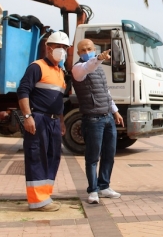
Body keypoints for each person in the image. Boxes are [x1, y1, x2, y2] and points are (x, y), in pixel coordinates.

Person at [17, 31, 70, 212]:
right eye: (59, 47)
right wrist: (27, 116)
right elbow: (23, 91)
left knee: (52, 158)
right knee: (36, 157)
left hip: (54, 122)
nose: (62, 51)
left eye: (65, 48)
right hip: (38, 118)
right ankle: (37, 201)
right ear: (49, 48)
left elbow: (58, 101)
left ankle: (45, 197)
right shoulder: (37, 67)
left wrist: (61, 122)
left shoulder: (61, 72)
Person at [71, 39, 124, 204]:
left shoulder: (99, 69)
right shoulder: (78, 69)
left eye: (89, 48)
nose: (86, 51)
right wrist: (99, 58)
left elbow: (105, 92)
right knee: (93, 157)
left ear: (94, 49)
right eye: (83, 50)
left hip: (107, 117)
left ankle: (104, 186)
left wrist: (115, 111)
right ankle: (93, 190)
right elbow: (88, 67)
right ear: (79, 53)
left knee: (109, 154)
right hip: (92, 119)